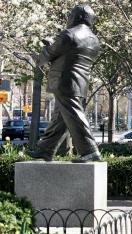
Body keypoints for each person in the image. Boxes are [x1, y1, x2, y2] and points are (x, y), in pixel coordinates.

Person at [27, 4, 101, 162]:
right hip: (80, 83)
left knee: (74, 116)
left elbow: (50, 54)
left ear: (77, 17)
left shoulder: (69, 34)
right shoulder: (95, 40)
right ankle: (45, 150)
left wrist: (44, 49)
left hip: (64, 81)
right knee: (60, 119)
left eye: (71, 15)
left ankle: (90, 151)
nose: (69, 18)